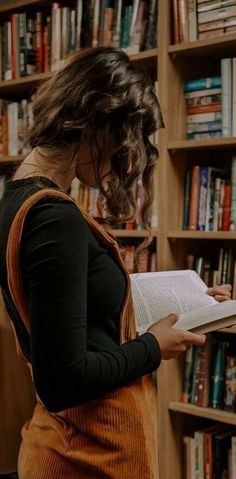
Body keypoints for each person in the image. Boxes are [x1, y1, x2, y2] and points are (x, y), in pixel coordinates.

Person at [0, 47, 232, 479]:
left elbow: (78, 317)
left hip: (75, 449)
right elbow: (63, 381)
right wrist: (154, 346)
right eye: (127, 137)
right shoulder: (54, 218)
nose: (126, 159)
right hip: (86, 458)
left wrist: (191, 305)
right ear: (95, 122)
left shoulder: (18, 200)